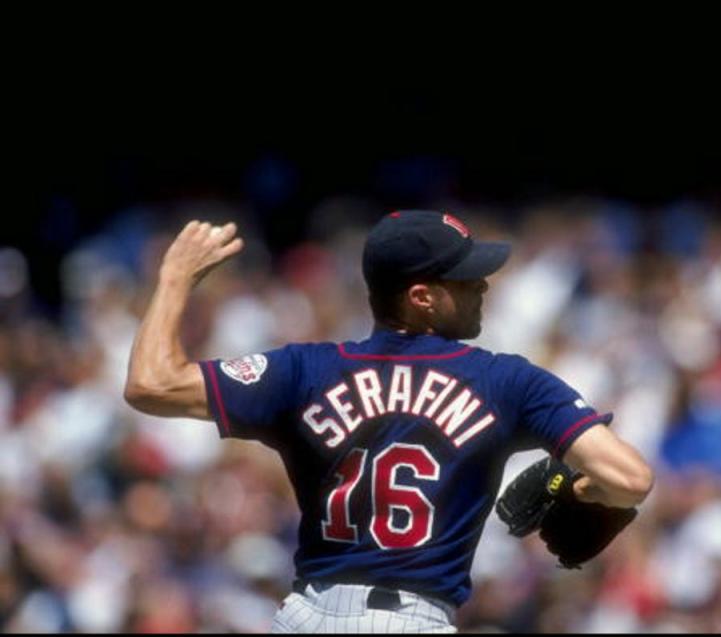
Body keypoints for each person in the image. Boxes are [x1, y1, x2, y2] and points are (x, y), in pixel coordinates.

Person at [124, 210, 654, 633]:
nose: (483, 286)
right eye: (465, 279)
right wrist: (580, 489)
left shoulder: (304, 370)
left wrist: (173, 279)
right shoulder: (506, 381)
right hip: (410, 620)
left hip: (304, 616)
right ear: (421, 298)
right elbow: (630, 479)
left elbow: (151, 383)